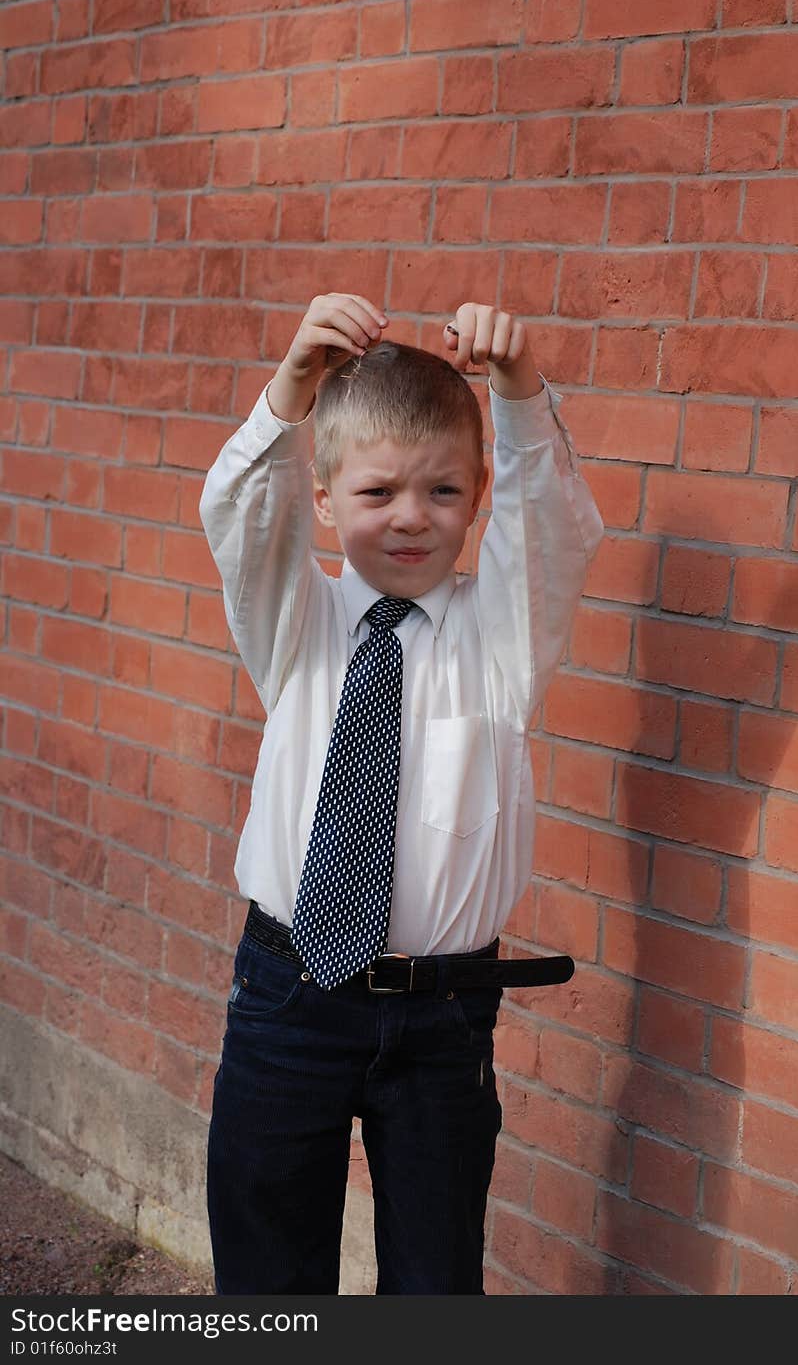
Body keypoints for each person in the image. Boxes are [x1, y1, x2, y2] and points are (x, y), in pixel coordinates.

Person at [198, 292, 604, 1295]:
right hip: (289, 997)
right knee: (268, 1264)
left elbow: (550, 526)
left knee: (434, 1275)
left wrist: (515, 392)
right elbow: (244, 511)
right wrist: (295, 382)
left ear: (475, 498)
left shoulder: (501, 639)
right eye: (378, 491)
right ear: (325, 500)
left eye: (444, 491)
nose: (413, 516)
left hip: (442, 1017)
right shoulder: (296, 623)